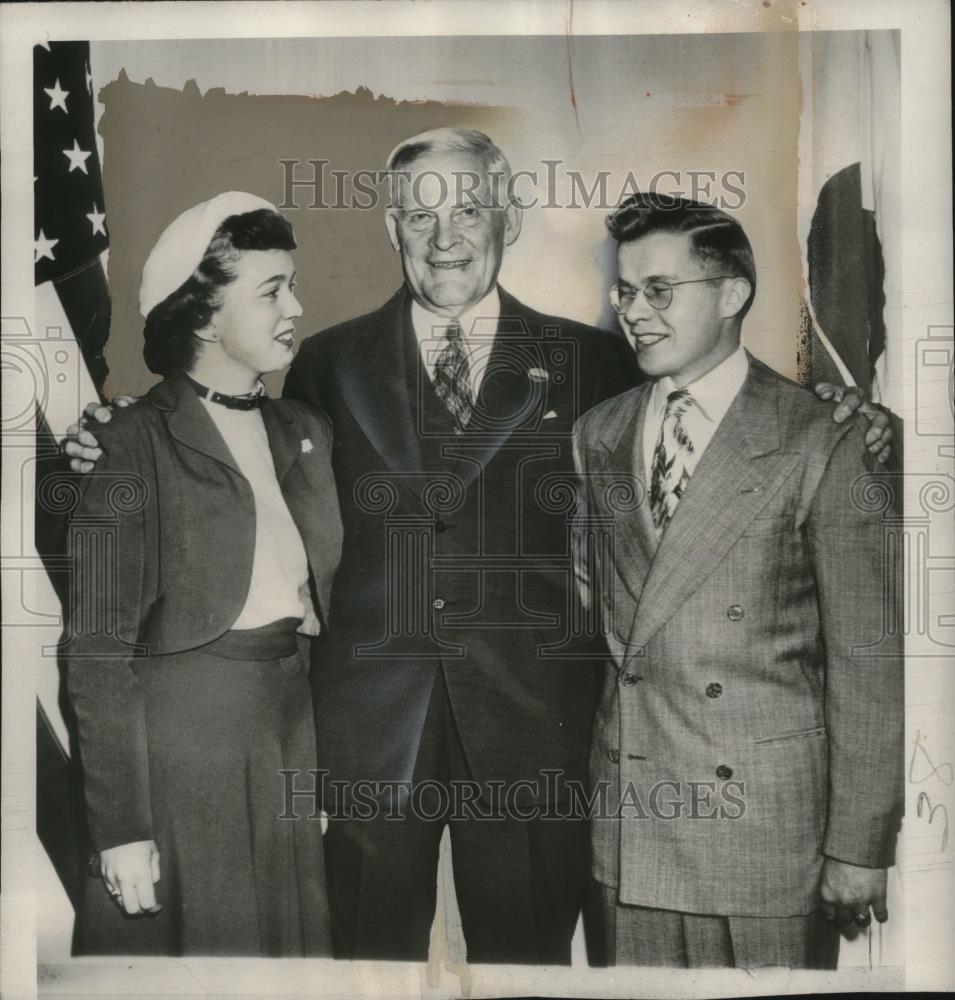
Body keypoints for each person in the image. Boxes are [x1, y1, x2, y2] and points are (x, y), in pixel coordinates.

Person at [65, 129, 892, 965]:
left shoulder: (597, 360)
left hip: (534, 728)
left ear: (509, 218)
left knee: (526, 965)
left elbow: (723, 420)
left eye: (467, 209)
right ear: (391, 231)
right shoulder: (323, 361)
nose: (445, 236)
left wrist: (851, 413)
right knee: (361, 967)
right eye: (418, 217)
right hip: (366, 733)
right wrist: (108, 430)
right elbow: (224, 432)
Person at [572, 193, 903, 968]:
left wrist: (857, 845)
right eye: (624, 291)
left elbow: (867, 660)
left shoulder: (821, 436)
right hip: (634, 820)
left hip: (765, 832)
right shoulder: (599, 434)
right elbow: (599, 599)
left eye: (659, 290)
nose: (633, 312)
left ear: (730, 294)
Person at [64, 192, 342, 956]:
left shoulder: (305, 431)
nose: (296, 306)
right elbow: (94, 649)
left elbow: (316, 621)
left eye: (292, 282)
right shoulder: (131, 441)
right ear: (205, 315)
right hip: (182, 752)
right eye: (271, 290)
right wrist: (123, 827)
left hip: (285, 737)